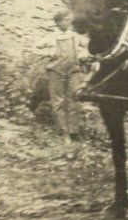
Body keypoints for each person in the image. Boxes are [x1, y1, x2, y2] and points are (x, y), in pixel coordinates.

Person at [32, 10, 91, 148]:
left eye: (70, 20)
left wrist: (83, 53)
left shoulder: (75, 36)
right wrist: (48, 52)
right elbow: (35, 48)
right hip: (56, 71)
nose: (69, 23)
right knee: (58, 102)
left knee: (74, 100)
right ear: (58, 22)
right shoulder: (51, 37)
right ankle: (64, 133)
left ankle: (74, 132)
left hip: (73, 71)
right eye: (65, 20)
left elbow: (87, 45)